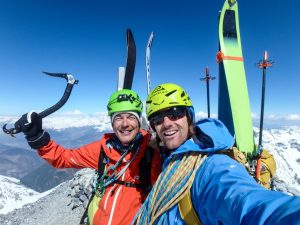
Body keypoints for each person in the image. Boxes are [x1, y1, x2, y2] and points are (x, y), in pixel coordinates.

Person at [132, 83, 300, 225]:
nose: (167, 123)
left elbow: (245, 201)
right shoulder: (168, 159)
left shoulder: (211, 166)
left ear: (189, 116)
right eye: (158, 119)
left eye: (175, 113)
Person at [15, 89, 161, 225]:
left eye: (131, 117)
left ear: (138, 121)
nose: (124, 124)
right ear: (112, 122)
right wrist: (37, 137)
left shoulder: (152, 152)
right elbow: (64, 158)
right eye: (118, 118)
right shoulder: (102, 150)